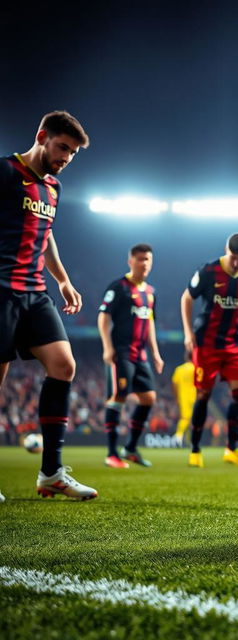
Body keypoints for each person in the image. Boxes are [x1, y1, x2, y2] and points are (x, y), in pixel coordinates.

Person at [0, 111, 96, 500]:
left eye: (72, 153)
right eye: (62, 148)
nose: (66, 158)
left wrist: (63, 279)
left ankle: (51, 472)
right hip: (1, 288)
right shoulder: (6, 173)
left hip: (34, 291)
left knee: (64, 365)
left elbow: (46, 234)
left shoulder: (53, 188)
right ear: (42, 136)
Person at [181, 232, 238, 467]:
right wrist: (188, 333)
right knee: (203, 395)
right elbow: (187, 298)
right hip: (206, 344)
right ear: (227, 250)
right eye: (233, 257)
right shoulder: (209, 271)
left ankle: (232, 448)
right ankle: (195, 450)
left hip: (234, 345)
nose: (237, 262)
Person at [98, 244, 164, 468]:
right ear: (131, 261)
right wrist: (107, 347)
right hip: (122, 352)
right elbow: (104, 317)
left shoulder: (151, 293)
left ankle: (130, 448)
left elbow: (150, 322)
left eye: (148, 260)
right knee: (119, 396)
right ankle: (111, 453)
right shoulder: (119, 287)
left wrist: (155, 352)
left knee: (149, 398)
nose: (145, 263)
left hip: (141, 354)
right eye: (140, 259)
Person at [171, 353, 196, 446]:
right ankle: (178, 436)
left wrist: (176, 396)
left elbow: (174, 384)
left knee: (186, 418)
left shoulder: (179, 369)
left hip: (182, 397)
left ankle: (187, 440)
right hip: (193, 397)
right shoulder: (196, 368)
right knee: (188, 418)